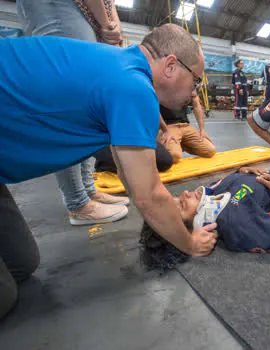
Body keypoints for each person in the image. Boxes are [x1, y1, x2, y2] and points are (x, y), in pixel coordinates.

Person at [0, 24, 218, 320]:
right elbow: (148, 197)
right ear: (170, 65)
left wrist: (170, 208)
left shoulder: (121, 67)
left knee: (22, 264)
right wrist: (190, 243)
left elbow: (133, 176)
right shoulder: (134, 87)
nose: (195, 91)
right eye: (195, 80)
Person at [17, 0, 130, 226]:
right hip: (62, 7)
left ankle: (87, 190)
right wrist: (106, 23)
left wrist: (112, 23)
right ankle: (77, 202)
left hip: (86, 12)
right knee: (68, 106)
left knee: (85, 108)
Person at [141, 166, 270, 258]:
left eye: (176, 198)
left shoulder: (212, 195)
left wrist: (242, 170)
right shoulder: (235, 224)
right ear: (197, 227)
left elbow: (234, 186)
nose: (185, 193)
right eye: (181, 206)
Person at [161, 97, 216, 162]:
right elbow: (153, 109)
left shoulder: (189, 87)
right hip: (168, 126)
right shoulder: (157, 87)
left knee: (210, 150)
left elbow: (196, 105)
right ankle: (165, 145)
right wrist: (164, 130)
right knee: (174, 155)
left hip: (185, 125)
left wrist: (202, 129)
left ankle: (179, 144)